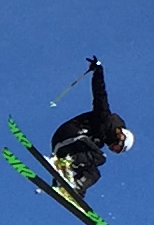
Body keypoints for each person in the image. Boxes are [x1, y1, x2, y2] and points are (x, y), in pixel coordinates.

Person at [45, 58, 135, 196]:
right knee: (100, 158)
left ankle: (75, 189)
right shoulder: (105, 118)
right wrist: (98, 72)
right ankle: (66, 162)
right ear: (121, 137)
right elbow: (100, 94)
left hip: (71, 147)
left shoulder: (99, 142)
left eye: (115, 151)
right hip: (68, 135)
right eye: (117, 148)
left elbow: (87, 160)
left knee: (94, 173)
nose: (112, 149)